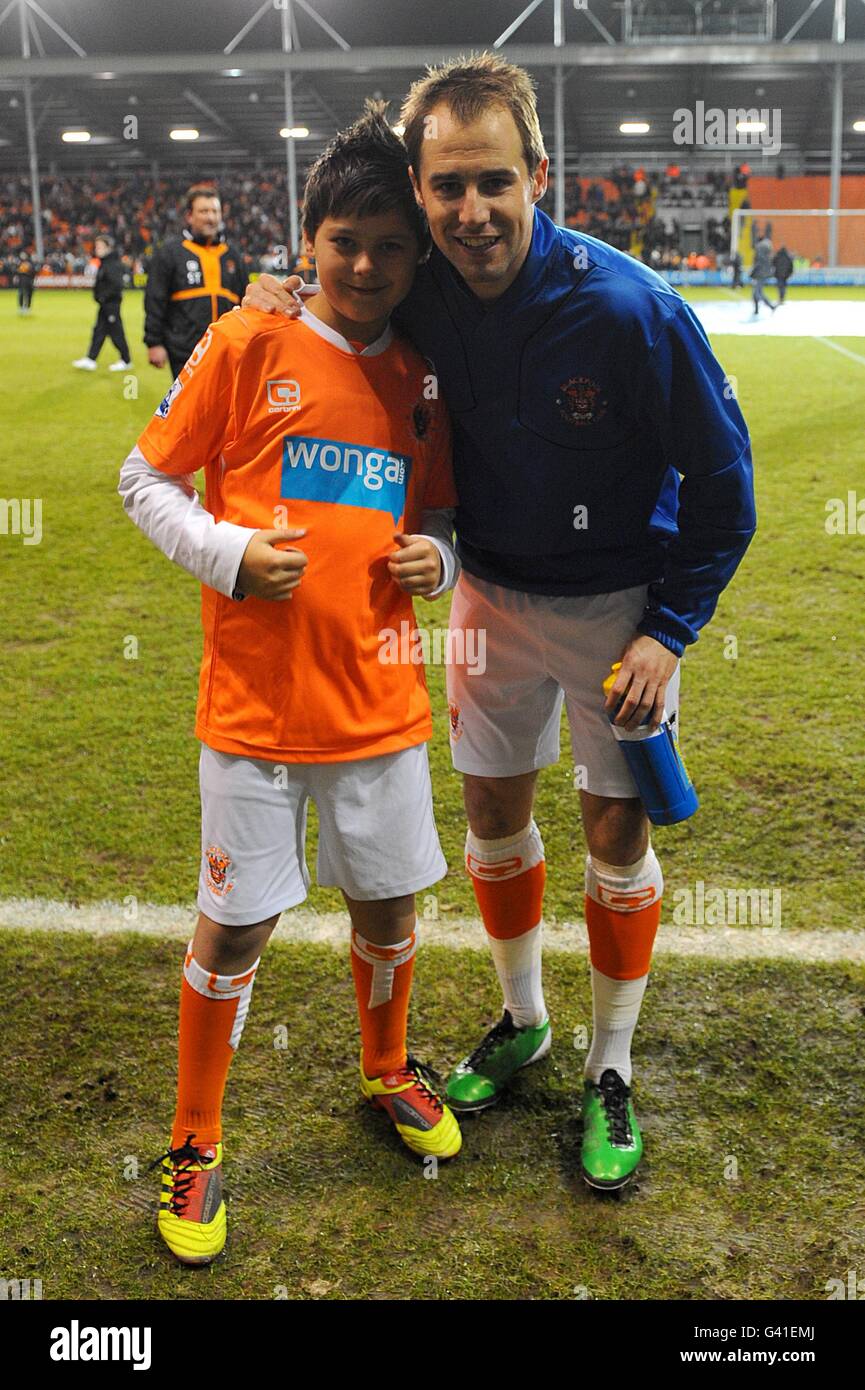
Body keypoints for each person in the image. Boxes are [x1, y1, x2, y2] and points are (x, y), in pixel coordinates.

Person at [244, 52, 756, 1192]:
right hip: (484, 595)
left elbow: (727, 487)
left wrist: (666, 632)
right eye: (446, 189)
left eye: (491, 183)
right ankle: (522, 1017)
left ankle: (610, 1067)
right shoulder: (418, 289)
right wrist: (277, 290)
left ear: (537, 173)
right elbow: (338, 289)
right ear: (421, 195)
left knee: (615, 838)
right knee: (491, 814)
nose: (469, 213)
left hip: (616, 608)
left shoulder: (630, 308)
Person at [118, 103, 462, 1266]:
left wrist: (441, 556)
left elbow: (440, 513)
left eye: (388, 245)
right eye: (342, 241)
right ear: (306, 240)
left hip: (377, 704)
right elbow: (143, 478)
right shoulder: (244, 342)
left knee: (391, 909)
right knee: (236, 925)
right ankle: (196, 1137)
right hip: (256, 713)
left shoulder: (421, 377)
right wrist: (228, 553)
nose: (363, 265)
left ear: (415, 256)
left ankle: (384, 1067)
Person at [143, 184, 248, 380]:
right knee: (192, 410)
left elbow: (246, 303)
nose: (211, 217)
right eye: (204, 211)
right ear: (189, 216)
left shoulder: (232, 255)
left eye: (215, 211)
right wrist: (154, 342)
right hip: (185, 353)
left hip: (229, 351)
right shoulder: (171, 253)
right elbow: (155, 299)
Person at [72, 234, 131, 371]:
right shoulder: (105, 262)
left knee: (116, 332)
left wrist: (103, 297)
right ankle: (91, 359)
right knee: (99, 331)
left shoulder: (113, 264)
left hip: (111, 305)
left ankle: (126, 360)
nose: (97, 249)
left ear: (108, 248)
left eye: (100, 246)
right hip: (105, 304)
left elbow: (116, 285)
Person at [751, 235, 776, 315]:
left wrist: (752, 272)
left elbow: (758, 262)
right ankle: (759, 309)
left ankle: (769, 306)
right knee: (757, 292)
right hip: (764, 272)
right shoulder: (767, 248)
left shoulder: (759, 249)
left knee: (757, 292)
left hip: (759, 273)